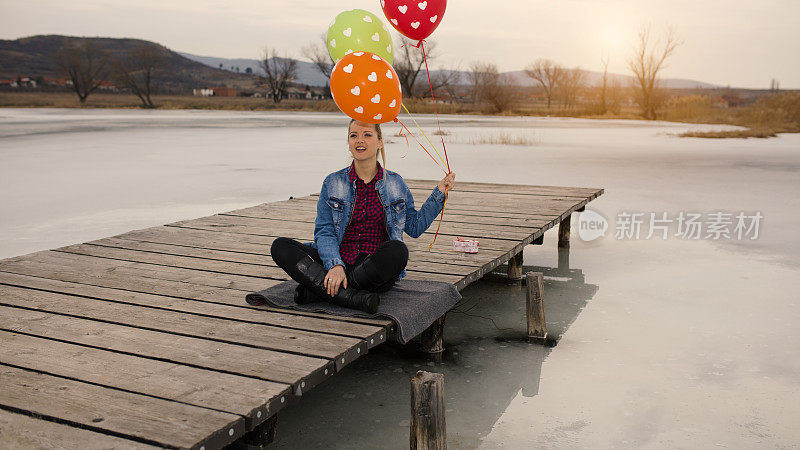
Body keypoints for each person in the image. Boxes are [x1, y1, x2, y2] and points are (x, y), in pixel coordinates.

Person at [270, 119, 456, 313]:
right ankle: (351, 297)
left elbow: (414, 227)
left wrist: (439, 192)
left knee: (398, 251)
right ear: (348, 142)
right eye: (354, 135)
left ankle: (318, 291)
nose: (360, 140)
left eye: (367, 135)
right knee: (281, 247)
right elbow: (325, 232)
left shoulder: (395, 183)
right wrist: (335, 266)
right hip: (336, 259)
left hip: (373, 268)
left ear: (380, 141)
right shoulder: (333, 182)